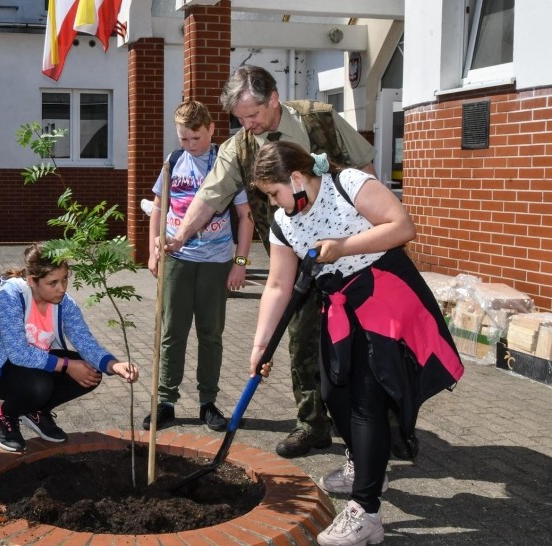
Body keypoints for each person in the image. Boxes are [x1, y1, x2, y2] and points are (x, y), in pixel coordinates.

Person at [248, 142, 464, 546]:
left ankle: (366, 513)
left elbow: (402, 226)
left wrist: (343, 246)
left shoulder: (348, 183)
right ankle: (366, 464)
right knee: (333, 392)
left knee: (366, 400)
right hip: (340, 305)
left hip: (384, 294)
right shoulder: (283, 221)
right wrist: (260, 345)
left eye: (273, 192)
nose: (273, 202)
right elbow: (277, 286)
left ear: (296, 178)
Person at [165, 65, 378, 458]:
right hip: (293, 256)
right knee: (300, 338)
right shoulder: (239, 147)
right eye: (240, 118)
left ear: (274, 99)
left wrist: (369, 231)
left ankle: (388, 426)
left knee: (367, 340)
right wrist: (180, 234)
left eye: (253, 115)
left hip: (352, 250)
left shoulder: (320, 119)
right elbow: (211, 197)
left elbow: (365, 169)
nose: (247, 124)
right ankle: (312, 425)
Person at [143, 101, 254, 432]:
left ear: (211, 131)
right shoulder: (173, 161)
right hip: (176, 261)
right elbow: (159, 209)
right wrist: (152, 248)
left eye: (195, 138)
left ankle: (208, 402)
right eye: (183, 139)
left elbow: (245, 217)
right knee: (172, 332)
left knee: (210, 334)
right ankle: (165, 401)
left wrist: (240, 263)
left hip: (216, 263)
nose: (189, 145)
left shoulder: (225, 164)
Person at [0, 243, 139, 452]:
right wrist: (67, 365)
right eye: (53, 283)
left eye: (65, 278)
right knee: (40, 385)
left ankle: (35, 412)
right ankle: (7, 415)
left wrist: (114, 365)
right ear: (32, 281)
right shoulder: (10, 297)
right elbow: (18, 353)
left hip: (35, 364)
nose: (62, 288)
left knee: (91, 373)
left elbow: (85, 341)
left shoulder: (64, 303)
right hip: (0, 371)